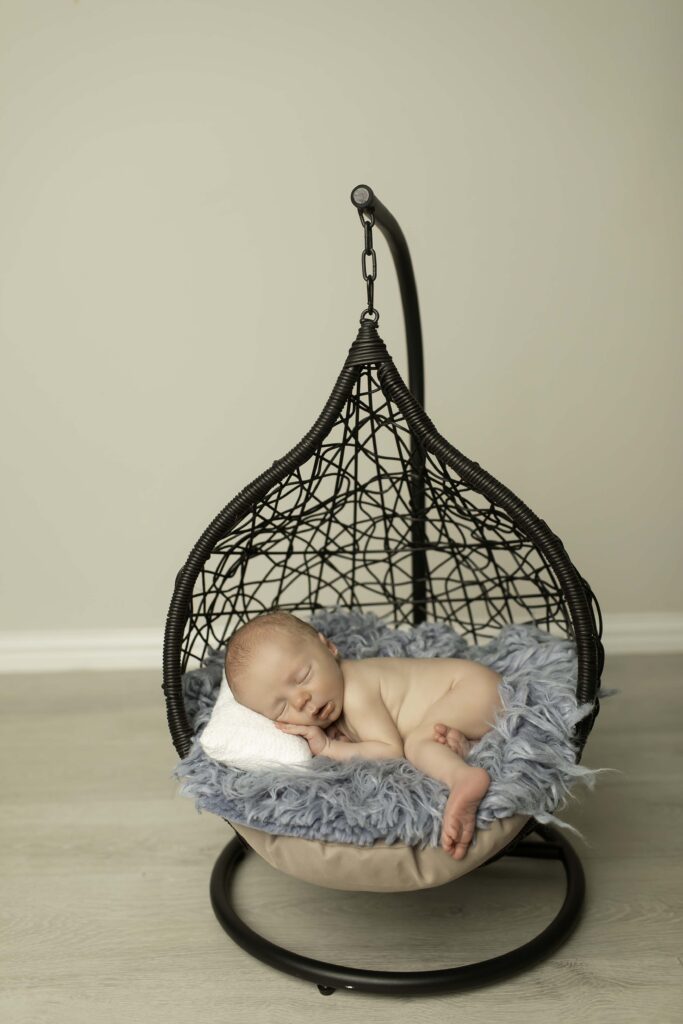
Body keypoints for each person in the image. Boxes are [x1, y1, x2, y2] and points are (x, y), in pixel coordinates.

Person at [225, 610, 504, 862]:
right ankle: (466, 743)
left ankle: (464, 779)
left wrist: (328, 746)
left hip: (470, 687)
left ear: (329, 647)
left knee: (419, 743)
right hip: (473, 697)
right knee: (433, 735)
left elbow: (389, 751)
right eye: (281, 707)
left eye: (303, 676)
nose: (301, 700)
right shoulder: (338, 700)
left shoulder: (356, 689)